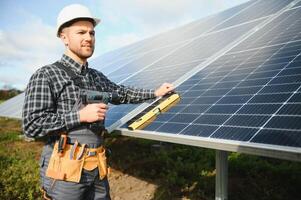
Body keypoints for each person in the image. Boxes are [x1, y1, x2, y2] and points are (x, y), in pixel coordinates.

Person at [22, 4, 174, 200]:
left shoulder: (96, 77)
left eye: (92, 33)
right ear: (64, 37)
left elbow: (122, 93)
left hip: (97, 166)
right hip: (64, 173)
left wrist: (155, 92)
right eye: (81, 32)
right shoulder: (47, 75)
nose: (88, 38)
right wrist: (79, 115)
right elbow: (31, 126)